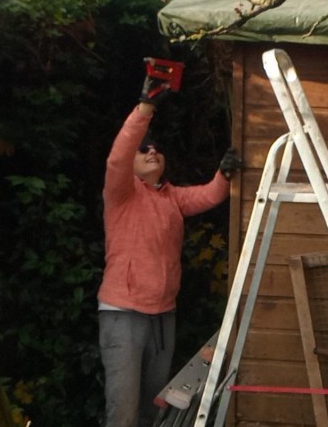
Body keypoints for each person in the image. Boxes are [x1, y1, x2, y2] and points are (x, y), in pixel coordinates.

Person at [98, 73, 242, 427]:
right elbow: (117, 159)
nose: (152, 151)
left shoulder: (172, 197)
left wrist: (224, 175)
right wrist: (145, 107)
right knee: (123, 409)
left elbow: (210, 195)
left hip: (163, 316)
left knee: (152, 409)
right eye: (144, 149)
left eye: (157, 149)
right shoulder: (121, 193)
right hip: (123, 314)